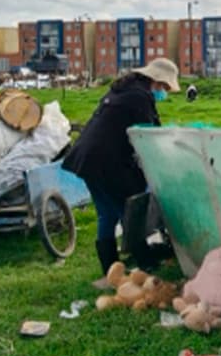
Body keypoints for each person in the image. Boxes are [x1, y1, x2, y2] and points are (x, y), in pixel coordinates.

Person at [63, 58, 179, 278]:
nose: (163, 92)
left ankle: (110, 270)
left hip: (88, 159)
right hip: (107, 163)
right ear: (155, 80)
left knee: (106, 214)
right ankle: (146, 263)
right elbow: (149, 134)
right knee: (129, 214)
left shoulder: (123, 90)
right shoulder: (140, 96)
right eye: (163, 87)